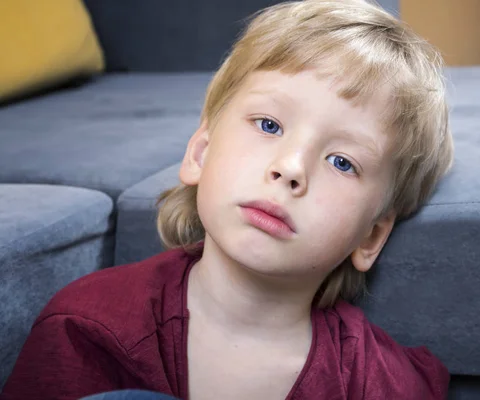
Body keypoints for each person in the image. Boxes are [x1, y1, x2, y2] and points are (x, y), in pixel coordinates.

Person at [1, 0, 454, 399]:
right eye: (269, 125)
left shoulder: (375, 382)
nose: (291, 169)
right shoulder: (85, 327)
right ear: (200, 154)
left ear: (371, 236)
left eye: (341, 161)